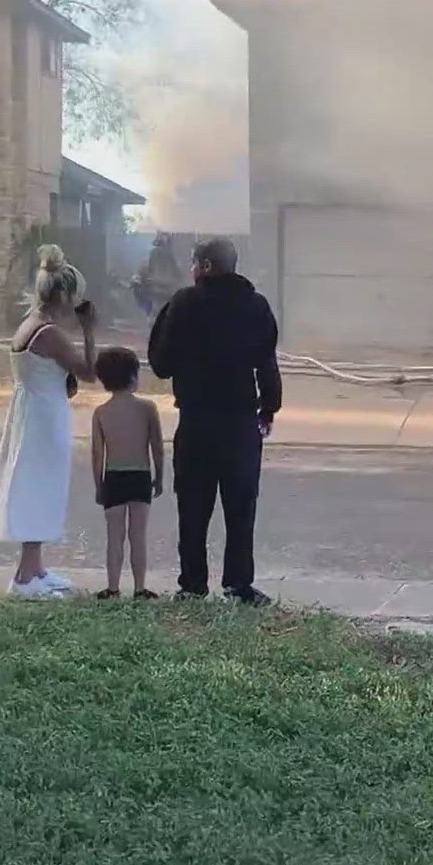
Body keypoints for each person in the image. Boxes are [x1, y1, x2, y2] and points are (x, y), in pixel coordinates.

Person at [147, 236, 281, 604]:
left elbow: (160, 363)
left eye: (193, 263)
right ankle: (238, 585)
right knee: (240, 509)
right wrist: (268, 409)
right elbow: (266, 361)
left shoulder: (183, 304)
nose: (190, 270)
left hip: (196, 420)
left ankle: (192, 586)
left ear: (205, 266)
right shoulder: (256, 306)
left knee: (193, 507)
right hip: (240, 423)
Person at [0, 245, 96, 599]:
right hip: (44, 418)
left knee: (38, 484)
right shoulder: (49, 333)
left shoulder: (29, 325)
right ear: (63, 295)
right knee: (40, 488)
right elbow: (90, 373)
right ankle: (24, 579)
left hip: (33, 411)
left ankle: (35, 569)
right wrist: (89, 331)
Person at [90, 346, 164, 600]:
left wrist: (99, 486)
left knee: (115, 537)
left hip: (113, 476)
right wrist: (160, 477)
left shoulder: (101, 412)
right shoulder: (147, 408)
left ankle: (112, 587)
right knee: (137, 536)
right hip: (140, 475)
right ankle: (140, 588)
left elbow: (97, 454)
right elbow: (157, 446)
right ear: (133, 376)